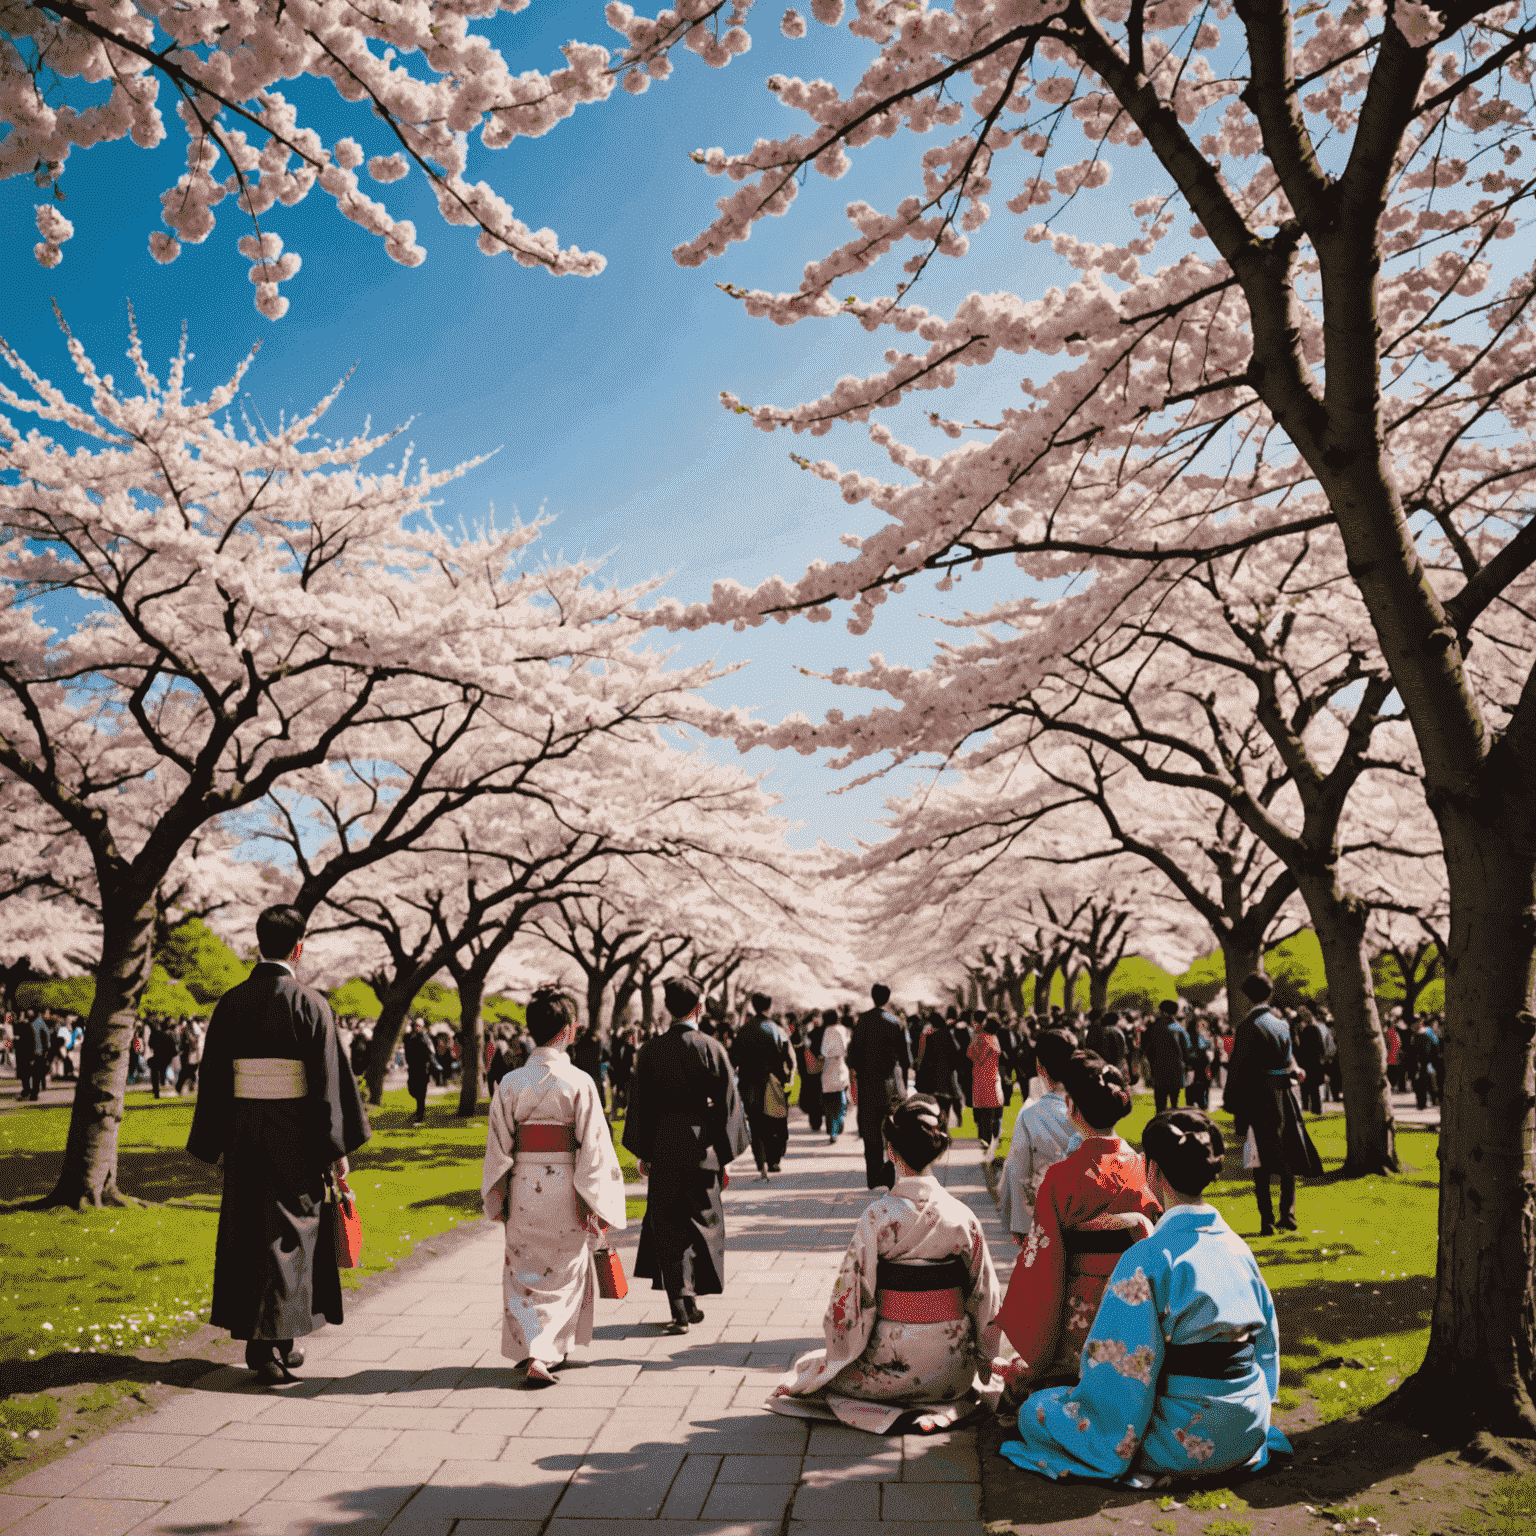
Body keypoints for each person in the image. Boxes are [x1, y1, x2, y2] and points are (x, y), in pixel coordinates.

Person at [999, 1108, 1291, 1485]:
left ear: (1151, 1171)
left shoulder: (1148, 1258)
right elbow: (1267, 1341)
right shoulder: (1238, 1248)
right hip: (1249, 1425)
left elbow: (1122, 1366)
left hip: (1185, 1437)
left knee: (1036, 1410)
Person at [187, 904, 372, 1384]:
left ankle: (272, 1342)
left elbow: (213, 1079)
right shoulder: (311, 1003)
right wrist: (337, 1151)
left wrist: (215, 1138)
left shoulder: (231, 1002)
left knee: (251, 1230)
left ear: (258, 942)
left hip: (246, 1132)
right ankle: (268, 1348)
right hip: (295, 1136)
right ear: (299, 945)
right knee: (290, 1234)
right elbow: (329, 1086)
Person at [767, 1094, 1003, 1435]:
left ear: (891, 1150)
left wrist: (842, 1350)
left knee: (810, 1369)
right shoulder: (962, 1217)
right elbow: (986, 1296)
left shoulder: (876, 1218)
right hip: (952, 1375)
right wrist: (984, 1359)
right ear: (938, 1150)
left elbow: (848, 1299)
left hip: (888, 1368)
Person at [480, 987, 627, 1387]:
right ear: (570, 1029)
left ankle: (534, 1348)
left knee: (524, 1270)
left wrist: (500, 1193)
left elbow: (498, 1144)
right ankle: (546, 1353)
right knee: (564, 1269)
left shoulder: (510, 1082)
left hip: (524, 1184)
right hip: (566, 1186)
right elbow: (594, 1146)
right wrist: (594, 1198)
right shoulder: (579, 1081)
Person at [996, 1053, 1161, 1406]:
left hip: (1078, 1313)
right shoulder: (1140, 1166)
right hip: (1131, 1307)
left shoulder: (1061, 1177)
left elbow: (1044, 1259)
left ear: (1073, 1108)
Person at [624, 979, 751, 1333]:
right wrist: (724, 1155)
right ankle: (686, 1300)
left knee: (667, 1223)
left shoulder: (650, 1051)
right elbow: (728, 1105)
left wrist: (644, 1151)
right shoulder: (711, 1048)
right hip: (701, 1147)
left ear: (668, 1007)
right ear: (699, 1006)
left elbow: (641, 1105)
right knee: (701, 1222)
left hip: (663, 1144)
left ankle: (680, 1300)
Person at [1224, 973, 1323, 1237]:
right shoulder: (1281, 1024)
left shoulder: (1247, 1026)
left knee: (1259, 1161)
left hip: (1258, 1097)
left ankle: (1267, 1220)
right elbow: (1290, 1060)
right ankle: (1287, 1214)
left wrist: (1230, 1101)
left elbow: (1238, 1067)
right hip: (1284, 1096)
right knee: (1287, 1153)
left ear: (1247, 996)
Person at [997, 1028, 1081, 1245]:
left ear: (1040, 1068)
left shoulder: (1031, 1115)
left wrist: (1020, 1225)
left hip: (1048, 1224)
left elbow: (1017, 1171)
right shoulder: (1089, 1107)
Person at [848, 984, 913, 1190]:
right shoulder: (896, 1023)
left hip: (868, 1083)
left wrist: (860, 1072)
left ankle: (874, 1176)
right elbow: (906, 1058)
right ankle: (892, 1171)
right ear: (887, 998)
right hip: (892, 1084)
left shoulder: (862, 1021)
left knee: (871, 1131)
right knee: (893, 1131)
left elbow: (853, 1055)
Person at [730, 992, 795, 1178]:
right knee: (776, 1122)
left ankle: (760, 1161)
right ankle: (774, 1159)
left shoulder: (743, 1030)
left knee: (756, 1123)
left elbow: (733, 1058)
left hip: (749, 1083)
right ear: (769, 1007)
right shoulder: (777, 1030)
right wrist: (788, 1075)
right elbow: (789, 1057)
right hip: (773, 1083)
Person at [914, 1007, 963, 1128]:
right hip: (946, 1077)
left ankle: (937, 1128)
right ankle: (944, 1127)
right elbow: (956, 1054)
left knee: (934, 1105)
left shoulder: (929, 1037)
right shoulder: (948, 1035)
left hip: (932, 1079)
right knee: (945, 1105)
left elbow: (923, 1059)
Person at [1143, 1000, 1190, 1115]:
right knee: (1175, 1104)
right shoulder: (1180, 1029)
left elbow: (1147, 1050)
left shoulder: (1154, 1028)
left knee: (1160, 1105)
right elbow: (1187, 1051)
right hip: (1176, 1070)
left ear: (1163, 1012)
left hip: (1159, 1070)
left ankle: (1160, 1127)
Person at [969, 1017, 1005, 1151]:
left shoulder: (976, 1038)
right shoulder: (992, 1039)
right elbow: (996, 1052)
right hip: (991, 1076)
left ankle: (984, 1137)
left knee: (983, 1108)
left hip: (978, 1075)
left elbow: (970, 1053)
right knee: (994, 1108)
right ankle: (993, 1136)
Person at [817, 1006, 851, 1142]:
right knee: (841, 1097)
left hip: (829, 1068)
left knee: (830, 1102)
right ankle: (840, 1120)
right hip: (841, 1066)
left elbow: (824, 1051)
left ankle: (833, 1131)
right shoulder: (844, 1029)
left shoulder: (828, 1031)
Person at [403, 1018, 433, 1125]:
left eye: (419, 1026)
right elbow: (406, 1048)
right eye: (415, 1026)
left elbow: (431, 1051)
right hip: (412, 1067)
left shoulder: (425, 1037)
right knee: (412, 1089)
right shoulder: (407, 1037)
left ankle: (420, 1113)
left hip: (423, 1067)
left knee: (421, 1091)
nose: (417, 1028)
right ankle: (420, 1110)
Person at [799, 1013, 824, 1134]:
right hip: (823, 1070)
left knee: (814, 1097)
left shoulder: (808, 1035)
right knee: (820, 1096)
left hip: (811, 1071)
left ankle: (815, 1123)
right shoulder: (824, 1033)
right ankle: (826, 1122)